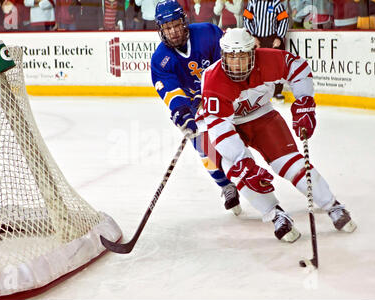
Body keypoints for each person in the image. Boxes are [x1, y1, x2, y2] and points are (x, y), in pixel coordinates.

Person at [197, 28, 357, 241]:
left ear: (253, 53)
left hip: (263, 117)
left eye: (243, 57)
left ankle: (332, 205)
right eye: (231, 57)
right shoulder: (213, 79)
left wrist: (304, 101)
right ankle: (276, 214)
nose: (237, 64)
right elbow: (220, 129)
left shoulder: (268, 59)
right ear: (222, 56)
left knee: (291, 164)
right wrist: (243, 162)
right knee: (240, 172)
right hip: (230, 127)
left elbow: (298, 69)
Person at [151, 0, 241, 215]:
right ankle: (227, 186)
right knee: (202, 145)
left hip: (226, 97)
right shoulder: (160, 60)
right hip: (194, 105)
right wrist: (183, 114)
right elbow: (172, 93)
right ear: (161, 30)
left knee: (241, 138)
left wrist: (210, 91)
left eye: (175, 25)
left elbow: (227, 64)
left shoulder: (208, 33)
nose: (172, 32)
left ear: (184, 21)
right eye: (167, 27)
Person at [243, 0, 289, 100]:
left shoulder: (276, 3)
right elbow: (247, 19)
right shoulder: (253, 3)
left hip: (272, 39)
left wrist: (279, 37)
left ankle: (277, 91)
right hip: (257, 39)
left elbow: (284, 20)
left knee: (276, 66)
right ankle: (255, 91)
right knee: (254, 65)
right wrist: (252, 37)